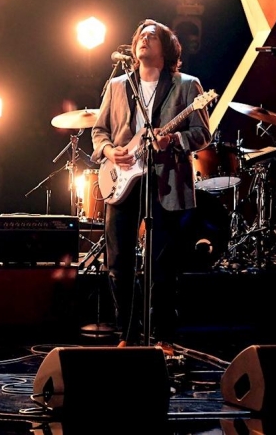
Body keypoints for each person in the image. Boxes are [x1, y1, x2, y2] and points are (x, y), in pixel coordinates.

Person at [91, 19, 212, 355]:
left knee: (163, 264)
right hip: (121, 179)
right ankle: (126, 333)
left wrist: (173, 138)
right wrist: (109, 151)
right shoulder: (117, 85)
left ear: (167, 47)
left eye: (152, 35)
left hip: (166, 182)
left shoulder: (187, 85)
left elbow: (203, 135)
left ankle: (163, 337)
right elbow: (99, 131)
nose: (143, 39)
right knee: (119, 262)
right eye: (140, 36)